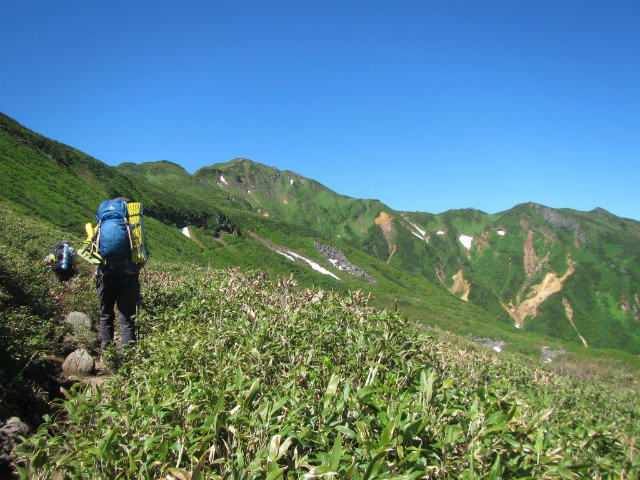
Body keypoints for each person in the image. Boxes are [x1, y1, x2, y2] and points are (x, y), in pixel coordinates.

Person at [94, 198, 141, 350]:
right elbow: (141, 252)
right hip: (127, 274)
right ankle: (127, 356)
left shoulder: (102, 221)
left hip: (105, 273)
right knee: (127, 318)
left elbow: (93, 247)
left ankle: (107, 353)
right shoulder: (132, 222)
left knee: (106, 314)